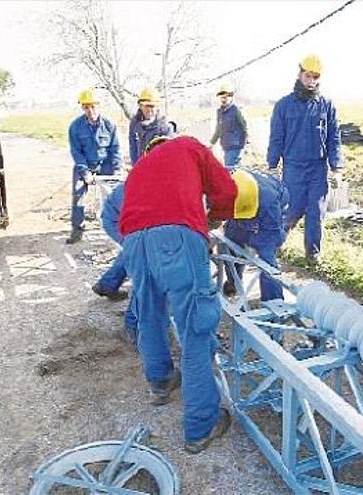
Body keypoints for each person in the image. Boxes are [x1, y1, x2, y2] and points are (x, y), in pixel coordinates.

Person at [119, 135, 237, 454]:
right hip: (176, 238)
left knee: (149, 314)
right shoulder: (189, 146)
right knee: (195, 328)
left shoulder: (139, 167)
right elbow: (227, 190)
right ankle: (201, 425)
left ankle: (160, 383)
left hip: (133, 242)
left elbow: (128, 215)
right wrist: (209, 222)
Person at [266, 54, 342, 262]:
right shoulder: (283, 105)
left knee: (316, 212)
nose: (311, 81)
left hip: (318, 169)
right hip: (293, 168)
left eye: (315, 77)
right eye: (308, 76)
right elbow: (276, 137)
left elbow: (334, 137)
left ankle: (312, 253)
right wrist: (272, 165)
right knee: (292, 210)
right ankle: (274, 244)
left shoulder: (326, 105)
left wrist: (336, 168)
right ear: (300, 74)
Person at [222, 169, 289, 301]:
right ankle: (233, 282)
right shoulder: (225, 183)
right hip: (245, 203)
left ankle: (274, 300)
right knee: (231, 242)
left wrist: (261, 241)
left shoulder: (269, 203)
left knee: (266, 256)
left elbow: (274, 235)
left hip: (268, 207)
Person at [67, 87, 122, 244]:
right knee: (78, 195)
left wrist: (117, 168)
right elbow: (76, 152)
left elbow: (115, 149)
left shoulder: (109, 125)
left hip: (105, 164)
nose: (90, 110)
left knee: (115, 192)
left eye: (93, 106)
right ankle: (77, 229)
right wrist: (85, 173)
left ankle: (116, 226)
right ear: (82, 108)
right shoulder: (75, 127)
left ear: (98, 106)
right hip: (84, 164)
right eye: (86, 107)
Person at [93, 181, 138, 345]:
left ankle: (106, 285)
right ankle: (132, 326)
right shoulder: (152, 183)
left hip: (126, 218)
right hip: (119, 219)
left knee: (132, 253)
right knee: (144, 270)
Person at [128, 87, 174, 164]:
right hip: (140, 167)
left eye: (152, 106)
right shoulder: (134, 125)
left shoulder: (165, 128)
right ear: (140, 106)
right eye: (146, 106)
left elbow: (169, 155)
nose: (149, 110)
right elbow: (133, 150)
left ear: (157, 107)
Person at [209, 83, 248, 169]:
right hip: (226, 147)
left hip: (236, 147)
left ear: (230, 97)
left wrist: (246, 145)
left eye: (225, 97)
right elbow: (218, 130)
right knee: (233, 171)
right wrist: (211, 143)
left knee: (230, 170)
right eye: (222, 97)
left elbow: (245, 128)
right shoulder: (219, 112)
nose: (223, 99)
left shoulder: (236, 110)